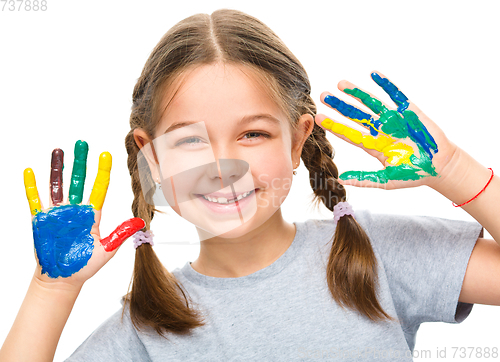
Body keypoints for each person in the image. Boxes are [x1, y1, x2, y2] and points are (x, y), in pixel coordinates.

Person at [1, 8, 499, 362]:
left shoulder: (376, 254)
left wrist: (455, 171)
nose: (224, 167)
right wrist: (52, 291)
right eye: (190, 140)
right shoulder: (149, 327)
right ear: (150, 156)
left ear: (298, 137)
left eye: (252, 133)